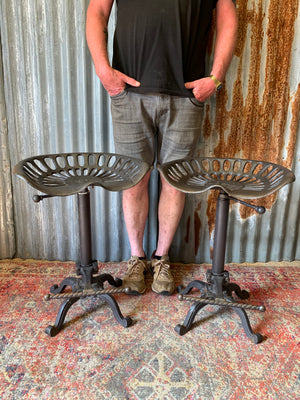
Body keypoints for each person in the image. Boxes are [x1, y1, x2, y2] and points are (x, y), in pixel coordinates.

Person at [86, 0, 238, 296]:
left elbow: (227, 17)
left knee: (175, 182)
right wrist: (103, 70)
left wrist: (215, 78)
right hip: (129, 92)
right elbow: (97, 11)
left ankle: (161, 258)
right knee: (133, 180)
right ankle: (137, 258)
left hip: (186, 94)